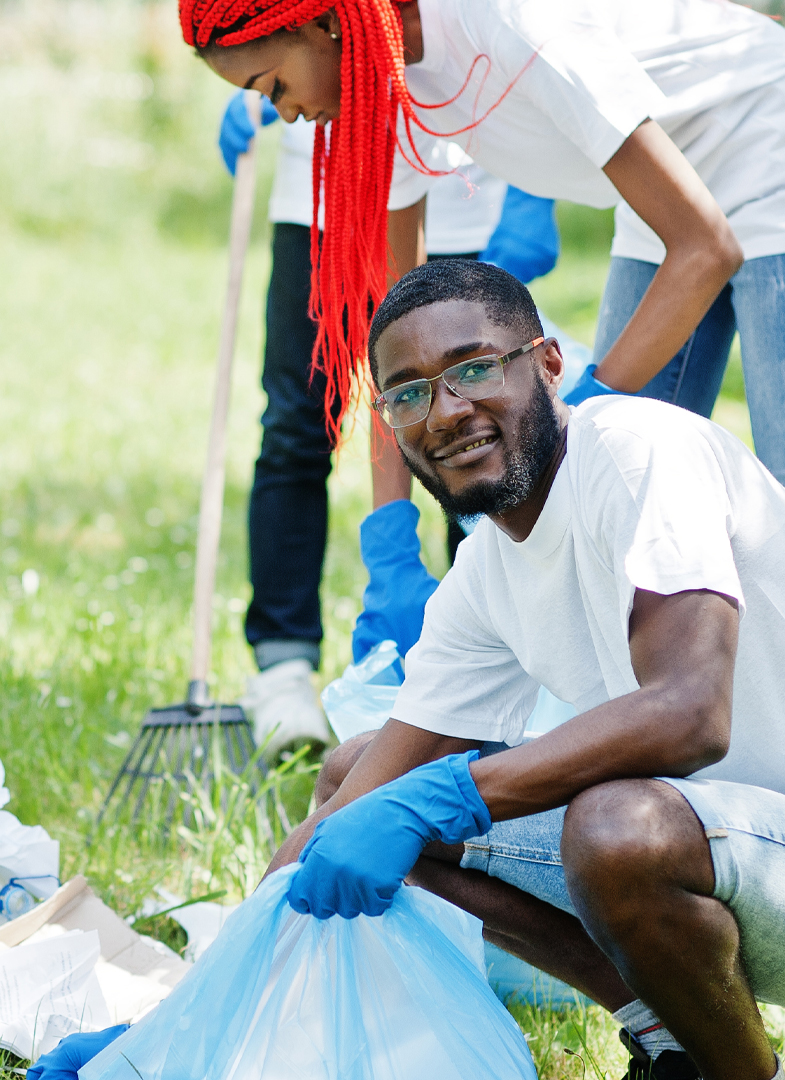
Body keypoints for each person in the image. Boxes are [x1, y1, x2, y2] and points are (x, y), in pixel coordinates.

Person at [280, 260, 785, 1080]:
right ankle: (670, 1044)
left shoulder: (637, 453)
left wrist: (443, 796)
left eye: (474, 369)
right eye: (409, 394)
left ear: (548, 364)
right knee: (354, 780)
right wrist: (166, 1030)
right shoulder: (486, 574)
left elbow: (690, 714)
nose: (447, 412)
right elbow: (347, 812)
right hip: (737, 855)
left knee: (615, 828)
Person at [185, 0, 785, 554]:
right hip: (663, 189)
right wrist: (388, 535)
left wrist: (576, 420)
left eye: (272, 86)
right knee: (626, 511)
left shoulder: (513, 21)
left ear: (321, 22)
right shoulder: (388, 81)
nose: (285, 114)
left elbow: (704, 246)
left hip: (776, 149)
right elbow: (403, 339)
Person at [216, 92, 559, 757]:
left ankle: (490, 664)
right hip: (318, 201)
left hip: (472, 196)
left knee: (480, 430)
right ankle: (284, 668)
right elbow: (392, 392)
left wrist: (530, 187)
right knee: (297, 420)